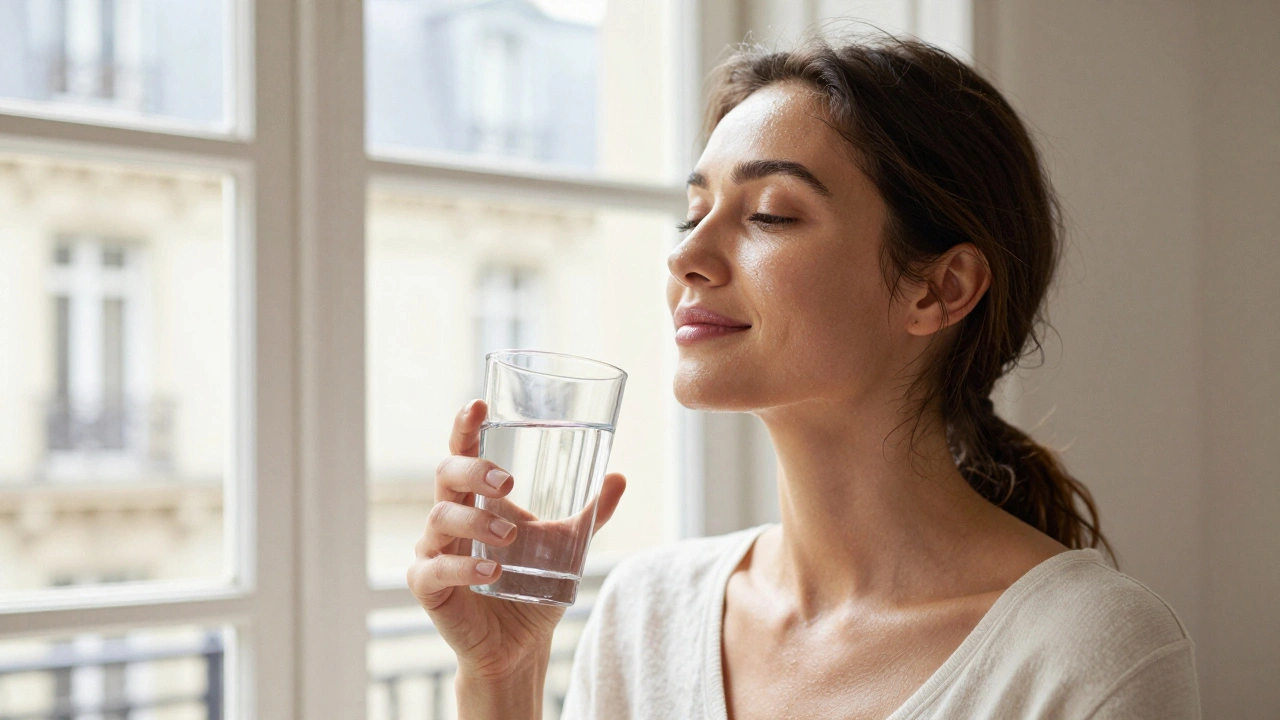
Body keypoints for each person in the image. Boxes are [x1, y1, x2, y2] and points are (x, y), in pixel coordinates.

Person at [407, 34, 1200, 719]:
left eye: (770, 214)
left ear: (939, 289)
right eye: (694, 213)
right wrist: (502, 677)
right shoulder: (645, 613)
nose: (686, 255)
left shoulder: (1089, 652)